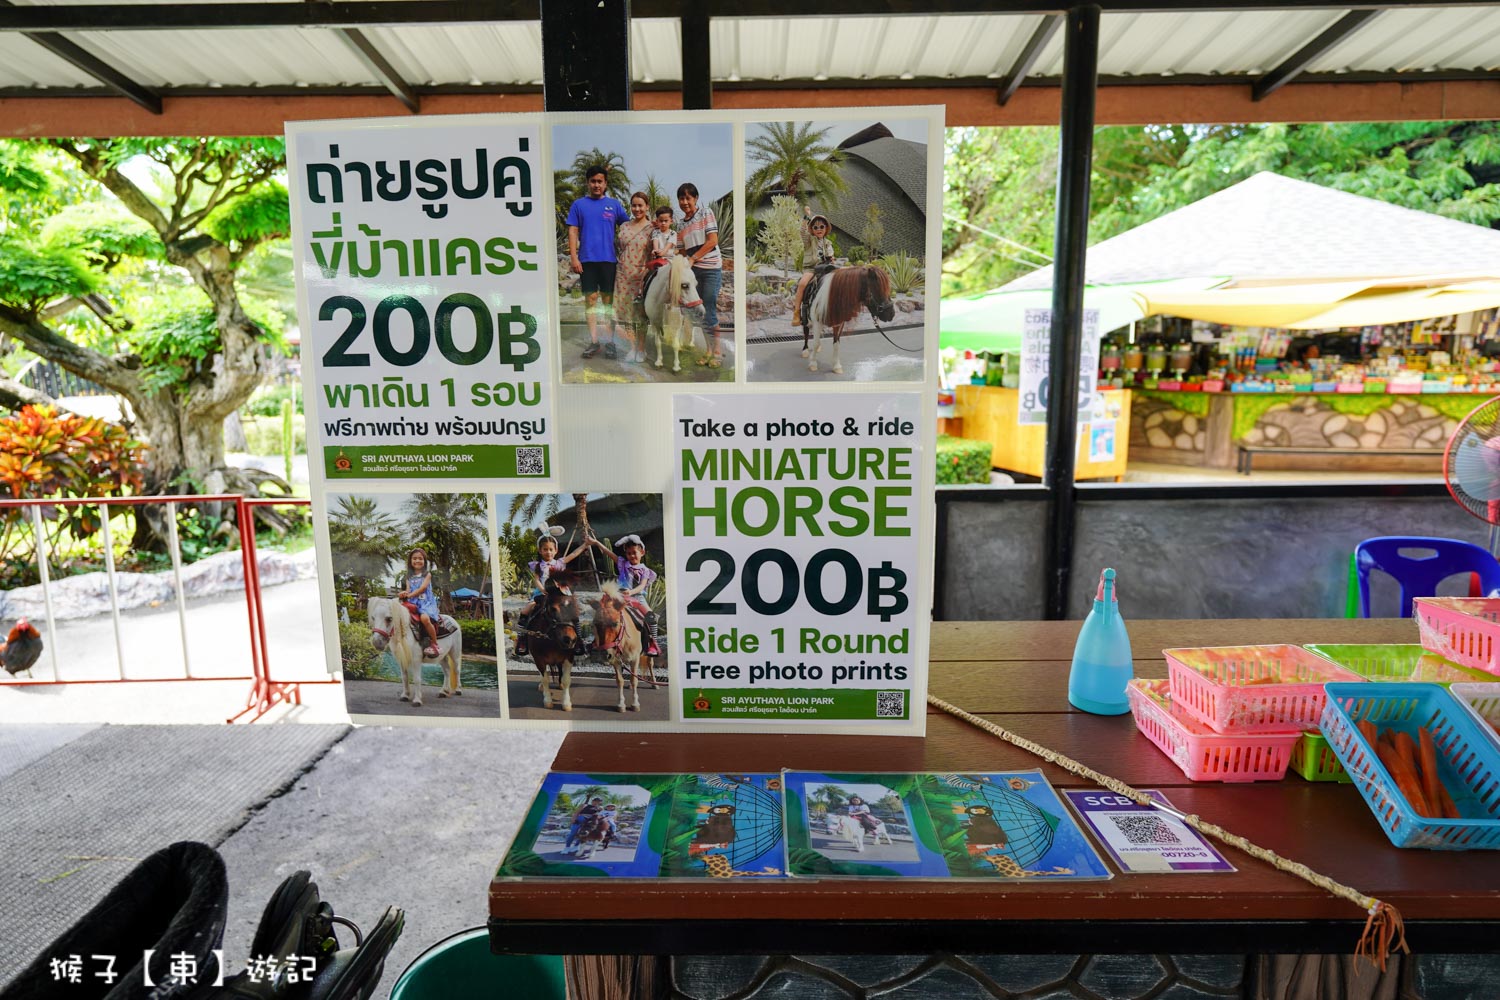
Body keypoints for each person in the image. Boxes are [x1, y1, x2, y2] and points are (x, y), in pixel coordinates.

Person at [566, 165, 628, 360]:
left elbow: (628, 227)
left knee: (608, 303)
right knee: (590, 301)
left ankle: (610, 343)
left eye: (600, 181)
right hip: (587, 261)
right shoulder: (578, 205)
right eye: (593, 181)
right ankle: (594, 342)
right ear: (587, 183)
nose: (596, 185)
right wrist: (574, 257)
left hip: (609, 261)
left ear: (605, 183)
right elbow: (573, 231)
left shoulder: (614, 205)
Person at [514, 526, 587, 658]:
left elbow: (574, 554)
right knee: (526, 610)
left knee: (573, 612)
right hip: (543, 593)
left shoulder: (559, 563)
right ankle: (522, 639)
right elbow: (536, 580)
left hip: (560, 594)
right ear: (540, 550)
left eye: (551, 549)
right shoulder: (537, 565)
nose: (548, 552)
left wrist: (586, 544)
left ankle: (579, 640)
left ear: (556, 550)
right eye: (545, 549)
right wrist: (542, 589)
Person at [585, 532, 662, 656]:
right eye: (628, 553)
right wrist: (596, 542)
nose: (631, 555)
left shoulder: (646, 571)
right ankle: (596, 640)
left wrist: (631, 592)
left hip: (637, 597)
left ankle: (653, 643)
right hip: (619, 597)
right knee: (603, 614)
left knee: (651, 617)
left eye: (634, 552)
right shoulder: (622, 564)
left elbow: (642, 585)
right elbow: (607, 552)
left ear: (642, 553)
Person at [676, 182, 724, 369]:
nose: (685, 202)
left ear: (696, 198)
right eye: (682, 198)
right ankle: (708, 351)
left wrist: (694, 258)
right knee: (700, 311)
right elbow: (681, 252)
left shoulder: (706, 213)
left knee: (710, 308)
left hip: (711, 268)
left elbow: (712, 241)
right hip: (693, 271)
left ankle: (717, 350)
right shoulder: (680, 224)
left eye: (689, 197)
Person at [613, 191, 654, 364]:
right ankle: (632, 347)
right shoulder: (624, 226)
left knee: (641, 314)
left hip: (642, 275)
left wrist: (649, 272)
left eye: (640, 205)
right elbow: (618, 247)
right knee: (627, 314)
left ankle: (642, 348)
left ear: (647, 207)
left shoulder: (652, 228)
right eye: (634, 205)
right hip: (623, 275)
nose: (637, 209)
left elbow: (656, 252)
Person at [792, 207, 836, 327]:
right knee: (802, 284)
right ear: (812, 229)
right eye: (815, 227)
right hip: (811, 269)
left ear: (826, 228)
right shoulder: (809, 241)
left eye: (821, 226)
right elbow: (802, 231)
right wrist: (807, 216)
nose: (819, 229)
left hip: (825, 269)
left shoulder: (828, 244)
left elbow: (831, 255)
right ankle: (796, 313)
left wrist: (831, 259)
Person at [397, 547, 440, 658]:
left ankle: (434, 643)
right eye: (414, 558)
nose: (417, 561)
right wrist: (403, 594)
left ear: (424, 561)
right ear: (410, 561)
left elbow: (422, 588)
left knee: (424, 618)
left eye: (420, 559)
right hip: (413, 602)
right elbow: (408, 589)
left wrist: (409, 595)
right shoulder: (408, 576)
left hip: (425, 602)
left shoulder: (427, 575)